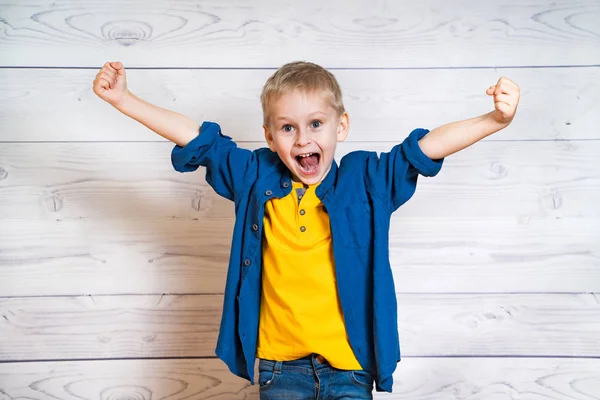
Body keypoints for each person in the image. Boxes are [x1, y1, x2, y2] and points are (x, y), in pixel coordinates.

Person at [93, 60, 520, 399]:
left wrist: (493, 120)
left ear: (341, 126)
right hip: (281, 370)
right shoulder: (255, 176)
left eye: (316, 124)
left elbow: (423, 150)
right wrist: (125, 100)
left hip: (350, 370)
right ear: (269, 135)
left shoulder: (365, 180)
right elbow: (199, 141)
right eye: (287, 127)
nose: (302, 140)